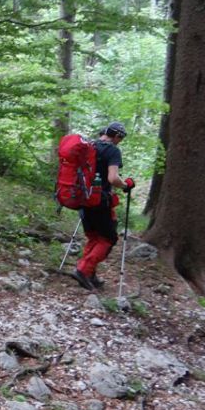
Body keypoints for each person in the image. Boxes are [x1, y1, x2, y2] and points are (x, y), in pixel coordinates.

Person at [73, 121, 134, 290]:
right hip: (99, 201)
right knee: (108, 239)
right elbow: (113, 178)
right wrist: (126, 185)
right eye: (120, 138)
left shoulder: (89, 146)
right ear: (117, 135)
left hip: (83, 198)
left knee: (94, 237)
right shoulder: (112, 150)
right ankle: (83, 271)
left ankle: (89, 272)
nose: (120, 141)